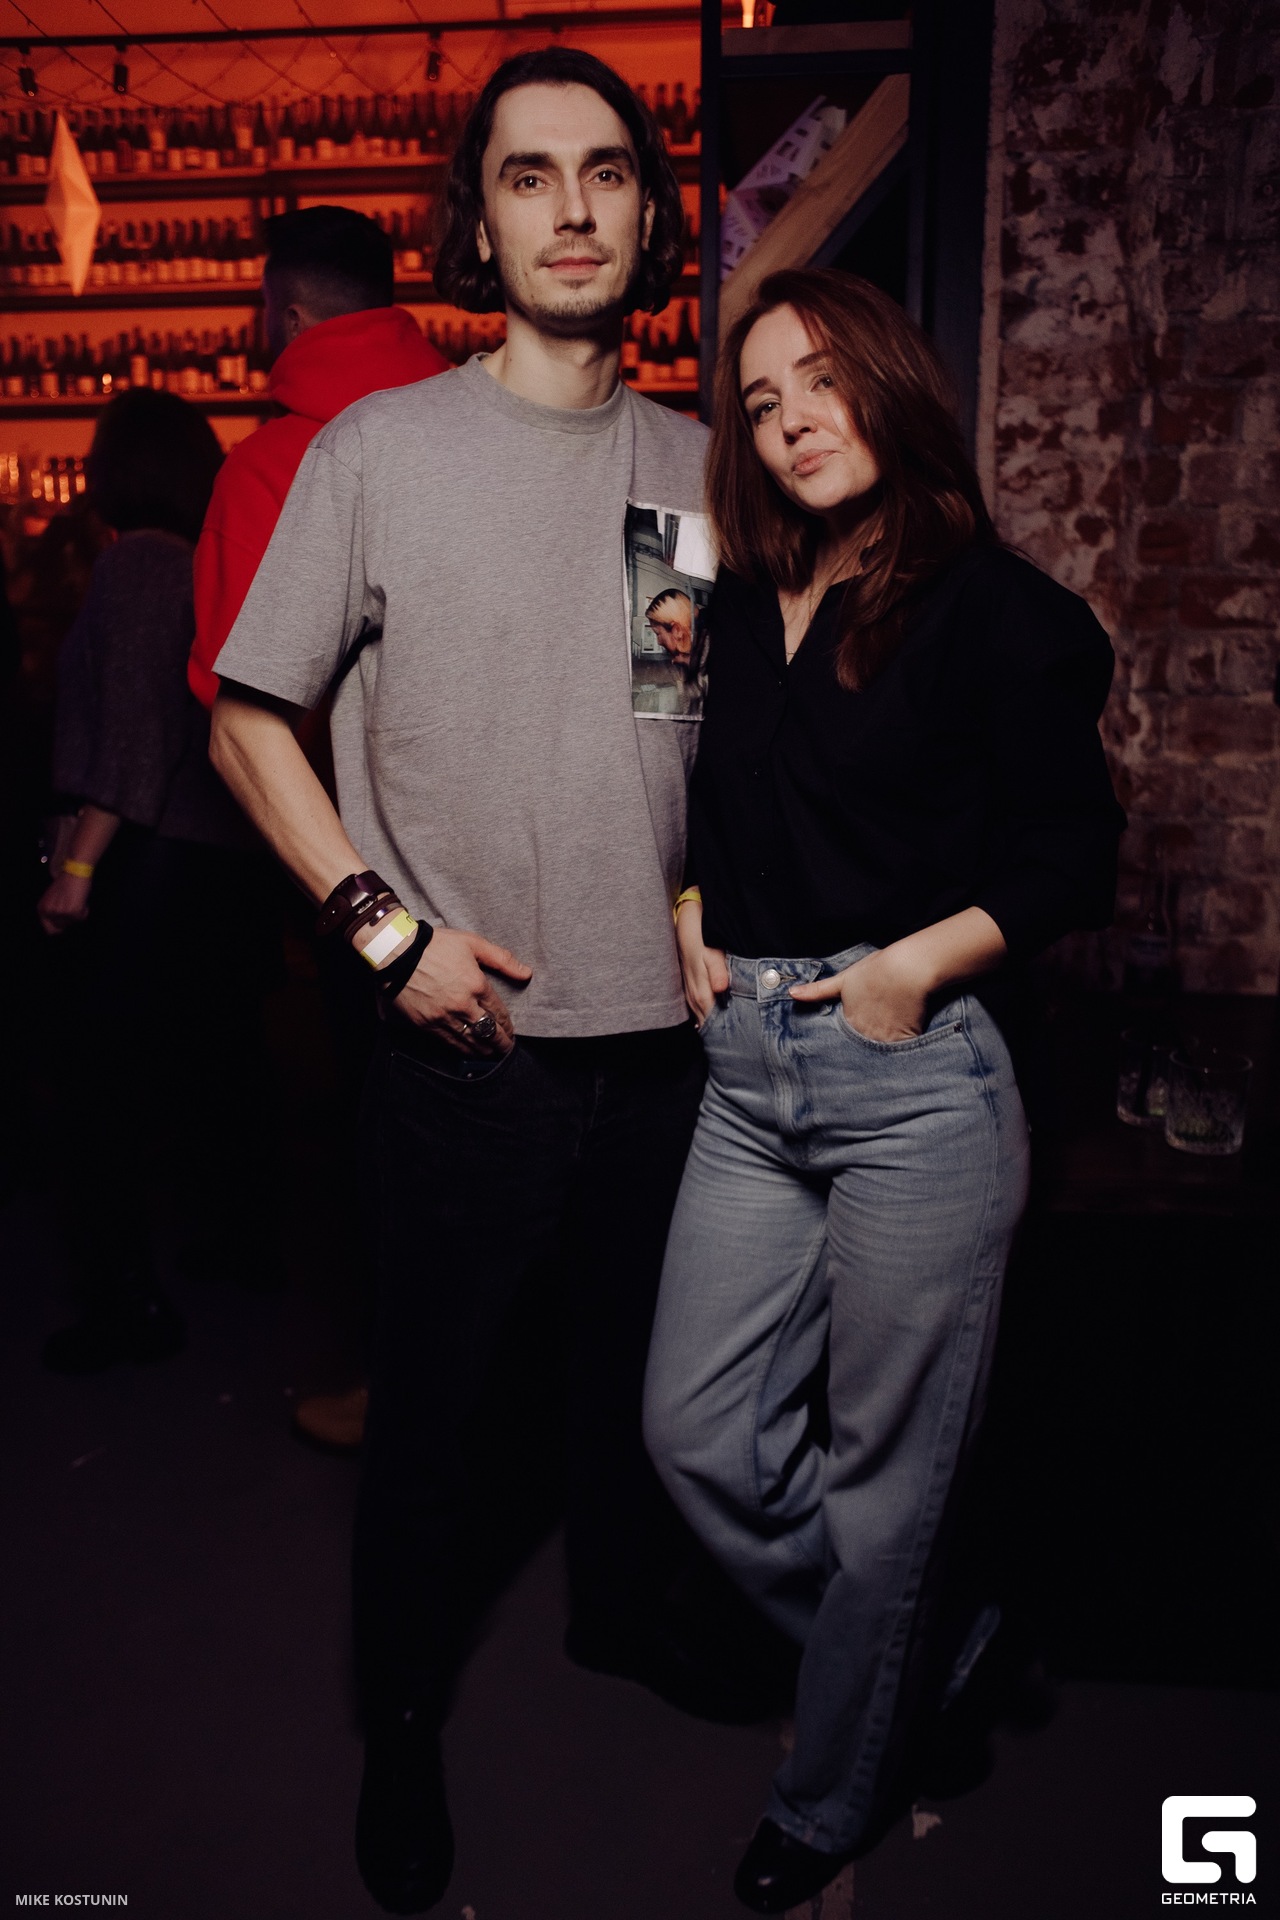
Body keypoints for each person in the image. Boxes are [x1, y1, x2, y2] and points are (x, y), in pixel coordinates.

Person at [206, 48, 748, 1916]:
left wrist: (696, 894)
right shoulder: (378, 456)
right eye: (531, 176)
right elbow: (248, 723)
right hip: (471, 1053)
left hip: (660, 1055)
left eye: (606, 173)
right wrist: (385, 934)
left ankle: (619, 1621)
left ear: (649, 216)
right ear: (481, 218)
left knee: (630, 1393)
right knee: (434, 1433)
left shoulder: (690, 465)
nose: (573, 209)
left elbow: (668, 718)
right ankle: (404, 1728)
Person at [642, 269, 1126, 1914]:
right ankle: (921, 1638)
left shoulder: (993, 609)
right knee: (696, 1434)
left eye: (821, 378)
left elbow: (1074, 856)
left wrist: (914, 968)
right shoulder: (707, 590)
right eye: (760, 400)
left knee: (884, 1481)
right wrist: (687, 901)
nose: (792, 419)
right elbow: (682, 785)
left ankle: (835, 1786)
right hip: (744, 1073)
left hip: (914, 1078)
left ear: (890, 380)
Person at [190, 206, 447, 1454]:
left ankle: (415, 1405)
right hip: (559, 880)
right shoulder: (498, 424)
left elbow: (240, 720)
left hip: (372, 888)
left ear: (285, 307)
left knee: (389, 1143)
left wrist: (357, 917)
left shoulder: (271, 465)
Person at [37, 388, 272, 1373]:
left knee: (99, 1090)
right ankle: (236, 1248)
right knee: (214, 1065)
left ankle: (126, 1304)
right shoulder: (197, 561)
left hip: (150, 860)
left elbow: (133, 746)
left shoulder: (137, 562)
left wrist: (74, 871)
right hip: (212, 861)